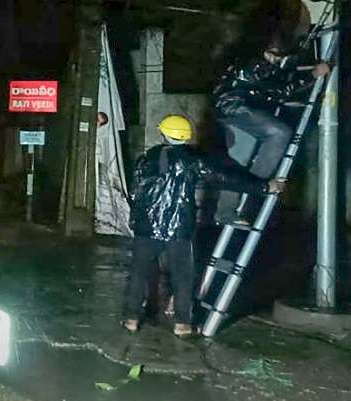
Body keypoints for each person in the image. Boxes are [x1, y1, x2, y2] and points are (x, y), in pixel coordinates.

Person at [124, 114, 284, 337]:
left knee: (139, 273)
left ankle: (131, 319)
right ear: (186, 137)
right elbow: (225, 177)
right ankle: (182, 324)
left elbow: (136, 192)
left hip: (146, 227)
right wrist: (265, 187)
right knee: (183, 277)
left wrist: (136, 220)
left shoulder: (146, 159)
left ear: (163, 133)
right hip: (179, 228)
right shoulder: (193, 161)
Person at [212, 33, 330, 224]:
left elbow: (278, 83)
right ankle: (259, 184)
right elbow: (279, 92)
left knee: (238, 163)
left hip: (231, 111)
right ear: (268, 53)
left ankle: (226, 212)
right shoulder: (257, 65)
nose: (280, 61)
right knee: (279, 133)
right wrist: (313, 74)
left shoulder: (252, 62)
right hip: (236, 108)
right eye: (278, 57)